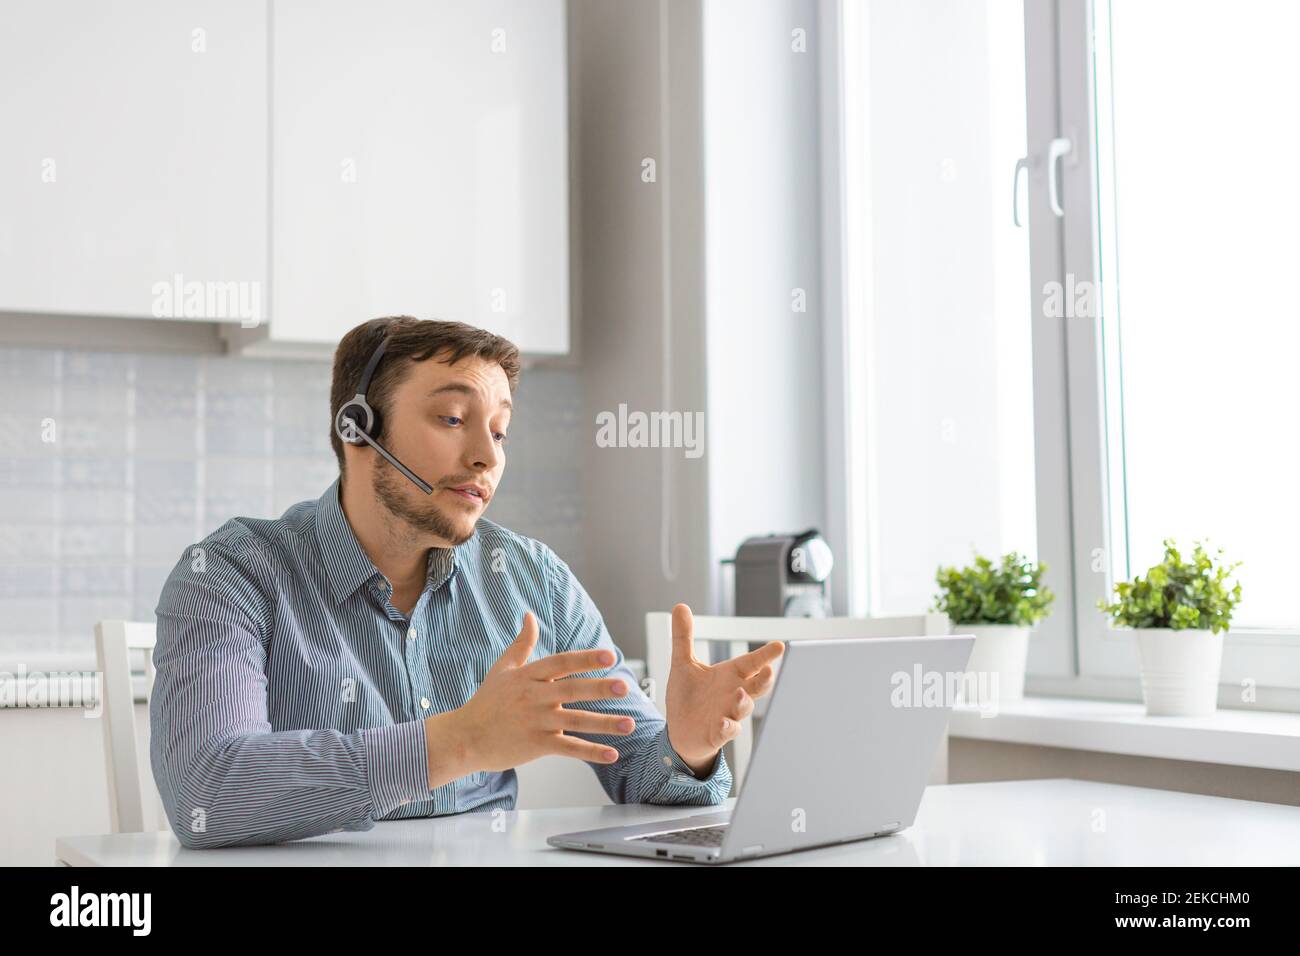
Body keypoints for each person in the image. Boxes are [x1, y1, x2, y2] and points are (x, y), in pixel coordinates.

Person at [150, 315, 783, 848]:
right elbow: (207, 789)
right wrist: (460, 742)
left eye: (500, 430)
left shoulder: (531, 578)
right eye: (454, 418)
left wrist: (691, 747)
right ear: (358, 429)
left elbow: (644, 771)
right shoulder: (231, 575)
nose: (488, 455)